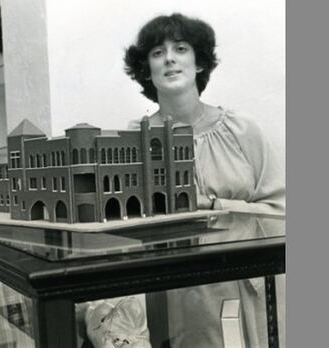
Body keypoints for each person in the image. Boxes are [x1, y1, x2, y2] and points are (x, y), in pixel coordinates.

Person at [120, 13, 285, 347]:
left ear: (199, 63)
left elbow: (280, 211)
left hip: (241, 283)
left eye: (180, 48)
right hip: (172, 295)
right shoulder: (132, 142)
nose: (169, 58)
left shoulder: (242, 130)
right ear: (147, 71)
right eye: (157, 52)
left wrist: (211, 205)